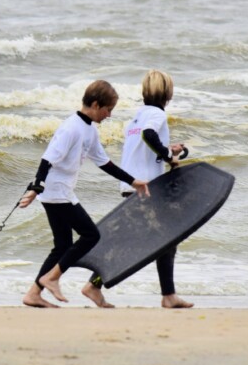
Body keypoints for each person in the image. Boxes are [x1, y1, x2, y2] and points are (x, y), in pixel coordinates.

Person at [19, 80, 150, 308]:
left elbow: (104, 163)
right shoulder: (71, 128)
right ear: (96, 104)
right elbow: (48, 158)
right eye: (108, 110)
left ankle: (33, 294)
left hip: (60, 192)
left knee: (62, 246)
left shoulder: (89, 130)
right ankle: (51, 278)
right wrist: (35, 187)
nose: (109, 115)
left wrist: (133, 181)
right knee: (91, 235)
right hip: (56, 191)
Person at [82, 69, 194, 309]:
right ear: (168, 94)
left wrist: (167, 149)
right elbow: (149, 135)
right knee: (160, 238)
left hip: (131, 185)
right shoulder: (156, 116)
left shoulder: (137, 116)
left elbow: (142, 143)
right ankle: (95, 285)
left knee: (142, 238)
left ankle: (167, 294)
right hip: (146, 187)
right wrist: (168, 156)